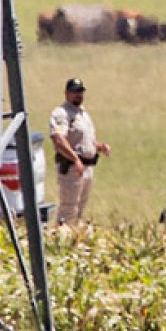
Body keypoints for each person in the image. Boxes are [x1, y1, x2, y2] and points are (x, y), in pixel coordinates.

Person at [49, 78, 110, 225]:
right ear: (66, 93)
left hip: (87, 167)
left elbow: (83, 140)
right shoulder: (62, 113)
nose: (78, 95)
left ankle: (73, 237)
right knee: (69, 208)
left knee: (80, 208)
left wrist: (99, 146)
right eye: (74, 92)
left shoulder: (83, 113)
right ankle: (61, 237)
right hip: (71, 167)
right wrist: (75, 159)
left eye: (80, 92)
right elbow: (58, 138)